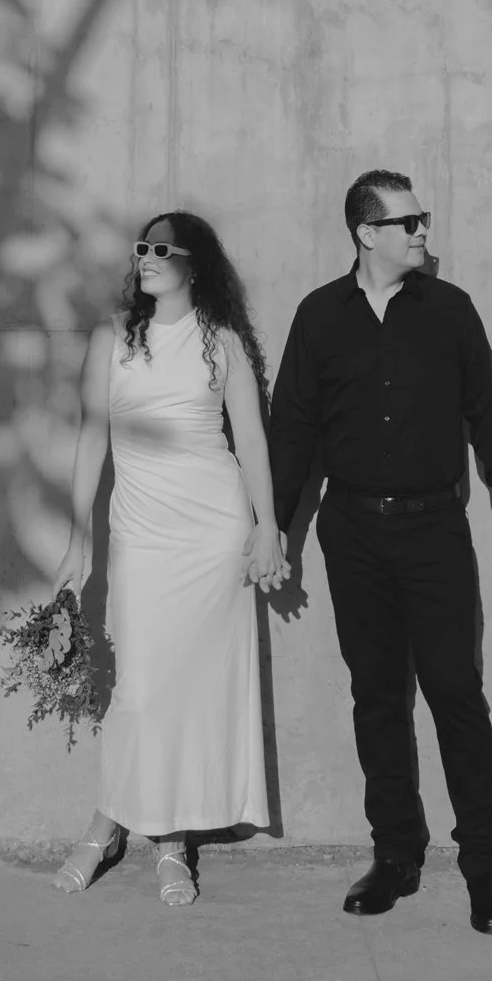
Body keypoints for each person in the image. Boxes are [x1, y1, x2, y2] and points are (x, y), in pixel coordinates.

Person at [267, 169, 492, 934]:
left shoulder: (450, 311)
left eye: (422, 219)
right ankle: (395, 855)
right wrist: (273, 528)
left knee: (454, 691)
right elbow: (292, 429)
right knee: (377, 696)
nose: (422, 232)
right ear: (365, 232)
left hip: (432, 530)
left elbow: (488, 409)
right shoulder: (319, 317)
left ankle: (484, 866)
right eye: (407, 221)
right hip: (350, 530)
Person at [49, 210, 287, 906]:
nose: (145, 258)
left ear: (193, 265)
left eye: (161, 249)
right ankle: (106, 827)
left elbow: (250, 443)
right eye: (141, 249)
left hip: (213, 533)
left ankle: (172, 842)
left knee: (185, 690)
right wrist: (78, 537)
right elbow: (92, 435)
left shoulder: (222, 344)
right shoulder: (113, 339)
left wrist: (267, 527)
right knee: (140, 688)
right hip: (142, 534)